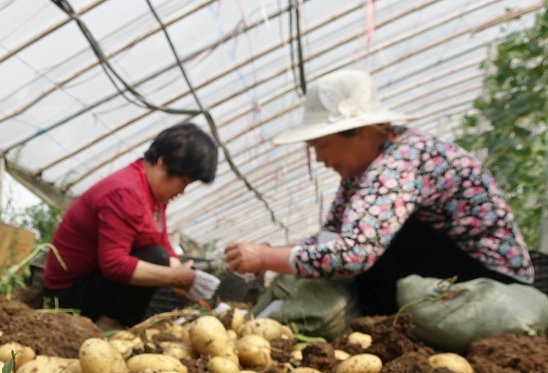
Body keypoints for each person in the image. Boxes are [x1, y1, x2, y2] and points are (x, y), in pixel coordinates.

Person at [225, 69, 534, 315]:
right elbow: (331, 237)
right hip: (452, 266)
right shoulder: (363, 170)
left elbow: (353, 254)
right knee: (363, 233)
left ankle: (380, 322)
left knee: (382, 238)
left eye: (322, 145)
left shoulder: (400, 163)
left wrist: (266, 257)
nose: (319, 158)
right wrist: (274, 251)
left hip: (493, 279)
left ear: (358, 133)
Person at [42, 122, 221, 328]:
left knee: (160, 255)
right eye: (183, 183)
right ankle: (108, 326)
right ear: (162, 163)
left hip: (94, 284)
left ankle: (115, 323)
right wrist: (173, 276)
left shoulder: (153, 195)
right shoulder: (125, 192)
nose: (182, 191)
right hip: (67, 297)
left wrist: (187, 275)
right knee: (157, 258)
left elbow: (162, 241)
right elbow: (115, 264)